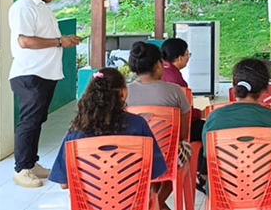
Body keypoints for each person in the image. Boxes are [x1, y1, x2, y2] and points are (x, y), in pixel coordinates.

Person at [9, 0, 81, 188]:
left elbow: (44, 37)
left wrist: (64, 39)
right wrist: (60, 42)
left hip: (45, 73)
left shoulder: (43, 7)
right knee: (29, 121)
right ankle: (21, 168)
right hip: (30, 72)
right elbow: (25, 41)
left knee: (38, 120)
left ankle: (32, 163)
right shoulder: (23, 7)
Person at [203, 58, 271, 210]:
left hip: (223, 188)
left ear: (234, 84)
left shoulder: (214, 117)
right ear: (265, 88)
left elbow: (207, 158)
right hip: (266, 188)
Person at [49, 68, 167, 189]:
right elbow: (154, 172)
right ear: (123, 92)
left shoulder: (76, 131)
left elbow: (64, 183)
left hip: (89, 206)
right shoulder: (138, 125)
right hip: (134, 203)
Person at [126, 41, 192, 209]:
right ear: (158, 65)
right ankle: (157, 204)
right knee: (181, 155)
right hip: (168, 156)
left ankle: (154, 202)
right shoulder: (175, 91)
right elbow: (184, 134)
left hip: (135, 157)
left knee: (154, 159)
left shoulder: (123, 92)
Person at [160, 37, 207, 191]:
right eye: (188, 54)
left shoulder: (159, 72)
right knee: (207, 129)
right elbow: (184, 114)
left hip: (155, 134)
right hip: (174, 134)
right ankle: (204, 172)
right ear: (179, 58)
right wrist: (200, 113)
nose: (188, 58)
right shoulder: (176, 80)